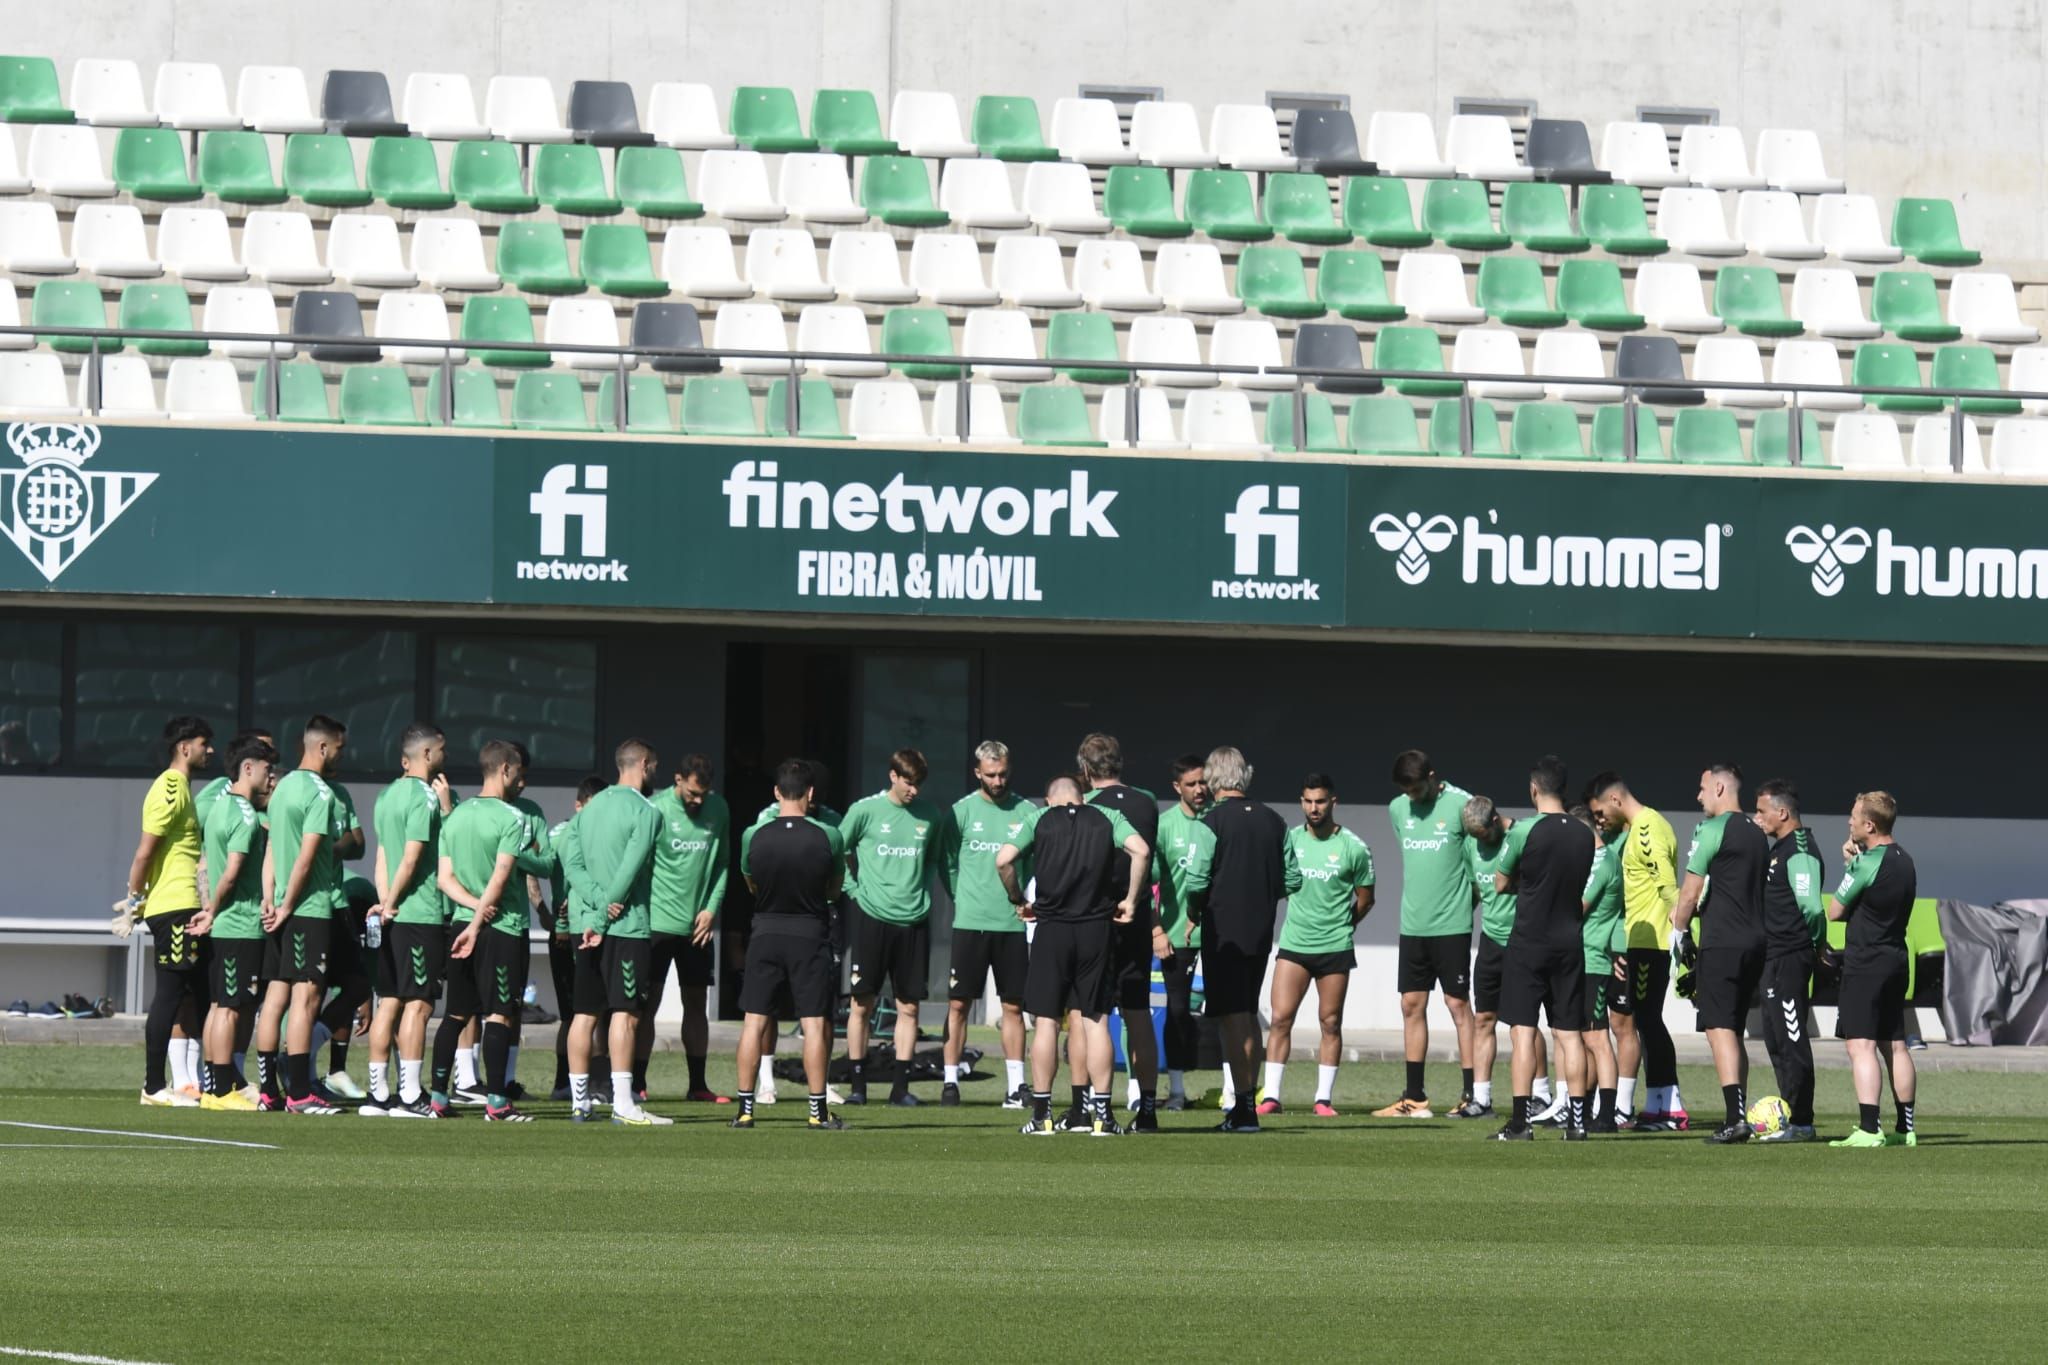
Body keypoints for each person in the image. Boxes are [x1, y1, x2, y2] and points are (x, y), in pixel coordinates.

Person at [998, 775, 1148, 1136]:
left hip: (1052, 929)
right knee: (1095, 1019)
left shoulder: (1039, 819)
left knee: (1047, 1021)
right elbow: (1141, 850)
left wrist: (1018, 899)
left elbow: (1003, 860)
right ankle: (1102, 1117)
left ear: (1050, 800)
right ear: (1082, 798)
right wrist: (1129, 899)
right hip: (1096, 929)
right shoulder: (1107, 816)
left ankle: (1042, 1116)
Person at [733, 759, 849, 1130]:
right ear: (811, 794)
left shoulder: (754, 834)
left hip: (765, 932)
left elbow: (750, 883)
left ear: (776, 793)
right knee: (813, 1025)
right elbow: (834, 890)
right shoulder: (828, 835)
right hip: (810, 933)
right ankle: (817, 1112)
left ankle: (745, 1109)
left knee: (754, 1022)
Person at [433, 739, 544, 1122]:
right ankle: (497, 1103)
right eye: (518, 773)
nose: (521, 782)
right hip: (501, 928)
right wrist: (481, 918)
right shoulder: (512, 818)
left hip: (461, 925)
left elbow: (444, 880)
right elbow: (499, 878)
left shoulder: (457, 815)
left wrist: (469, 913)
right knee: (499, 1014)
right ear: (505, 770)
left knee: (456, 1014)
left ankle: (438, 1097)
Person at [838, 749, 954, 1107]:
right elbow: (836, 850)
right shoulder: (864, 810)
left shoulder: (930, 816)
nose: (913, 790)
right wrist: (853, 890)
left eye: (918, 784)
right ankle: (858, 1087)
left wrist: (927, 894)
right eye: (908, 782)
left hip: (913, 921)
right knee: (862, 1005)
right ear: (892, 776)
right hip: (872, 918)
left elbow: (934, 859)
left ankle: (900, 1088)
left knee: (909, 1008)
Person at [1491, 756, 1594, 1141]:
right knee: (1569, 1035)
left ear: (1534, 789)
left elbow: (1501, 883)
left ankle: (1520, 1123)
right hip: (1570, 942)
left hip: (1530, 942)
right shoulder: (1585, 834)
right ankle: (1578, 1124)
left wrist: (1527, 881)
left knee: (1522, 1031)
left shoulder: (1524, 831)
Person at [1670, 763, 1772, 1144]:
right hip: (1754, 943)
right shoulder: (1756, 833)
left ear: (1718, 788)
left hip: (1723, 942)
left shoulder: (1712, 830)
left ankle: (1735, 1119)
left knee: (1719, 1028)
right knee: (1733, 1029)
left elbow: (1690, 892)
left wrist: (1677, 932)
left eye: (1701, 788)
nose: (1697, 796)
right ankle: (1738, 1113)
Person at [253, 715, 350, 1115]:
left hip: (278, 906)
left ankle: (268, 1090)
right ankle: (298, 1093)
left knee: (275, 996)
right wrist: (291, 904)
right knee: (306, 998)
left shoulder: (283, 786)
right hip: (306, 909)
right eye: (339, 748)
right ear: (323, 748)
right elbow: (309, 856)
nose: (341, 756)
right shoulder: (319, 793)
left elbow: (273, 849)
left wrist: (269, 898)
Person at [1261, 774, 1373, 1117]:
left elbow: (1366, 899)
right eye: (1308, 801)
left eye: (1320, 801)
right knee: (1280, 1019)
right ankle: (1271, 1097)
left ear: (1333, 803)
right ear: (1301, 802)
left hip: (1334, 947)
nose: (1314, 808)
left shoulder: (1354, 846)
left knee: (1330, 1022)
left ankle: (1323, 1099)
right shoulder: (1289, 840)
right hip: (1294, 944)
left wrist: (1342, 926)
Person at [1201, 746, 1300, 1134]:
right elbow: (1293, 879)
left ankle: (1242, 1106)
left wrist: (1198, 908)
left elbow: (1196, 877)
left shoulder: (1210, 822)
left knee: (1232, 1017)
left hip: (1222, 929)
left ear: (1213, 779)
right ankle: (1245, 1102)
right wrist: (1260, 896)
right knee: (1247, 1011)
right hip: (1259, 927)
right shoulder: (1275, 821)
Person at [571, 739, 668, 1126]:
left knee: (584, 1014)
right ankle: (624, 1105)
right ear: (644, 764)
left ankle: (580, 1104)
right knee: (625, 1015)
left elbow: (571, 860)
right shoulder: (647, 810)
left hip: (588, 925)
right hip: (625, 927)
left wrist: (594, 910)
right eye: (654, 767)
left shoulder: (588, 809)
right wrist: (606, 914)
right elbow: (630, 869)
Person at [1376, 749, 1475, 1119]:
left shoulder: (1462, 805)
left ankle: (1472, 1095)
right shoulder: (1397, 809)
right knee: (1411, 1005)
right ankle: (1414, 1097)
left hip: (1452, 925)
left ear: (1432, 776)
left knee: (1457, 1006)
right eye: (1408, 792)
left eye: (1417, 790)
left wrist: (1467, 902)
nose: (1413, 798)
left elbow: (1479, 859)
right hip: (1412, 925)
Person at [363, 723, 454, 1118]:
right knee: (419, 1005)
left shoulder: (386, 796)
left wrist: (384, 903)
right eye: (443, 751)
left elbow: (382, 855)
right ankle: (410, 1096)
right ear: (429, 755)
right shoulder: (425, 797)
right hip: (420, 914)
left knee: (389, 1003)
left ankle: (377, 1095)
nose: (446, 757)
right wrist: (396, 900)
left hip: (393, 914)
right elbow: (413, 857)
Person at [1587, 772, 1686, 1130]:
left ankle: (1670, 1107)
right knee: (1646, 1021)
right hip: (1640, 941)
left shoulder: (1646, 829)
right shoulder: (1638, 829)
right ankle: (1659, 1105)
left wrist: (1681, 935)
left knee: (1648, 1022)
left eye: (1600, 811)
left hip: (1652, 942)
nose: (1600, 819)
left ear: (1615, 799)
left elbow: (1667, 887)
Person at [941, 741, 1039, 1107]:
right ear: (977, 772)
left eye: (1003, 774)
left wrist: (1022, 901)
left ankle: (1016, 1086)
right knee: (958, 1005)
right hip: (970, 923)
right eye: (991, 774)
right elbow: (947, 865)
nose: (998, 781)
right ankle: (950, 1082)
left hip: (1012, 925)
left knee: (1014, 1007)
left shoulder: (1027, 811)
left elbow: (1034, 864)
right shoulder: (961, 812)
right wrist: (963, 898)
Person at [125, 715, 214, 1107]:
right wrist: (133, 897)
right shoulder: (171, 787)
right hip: (174, 906)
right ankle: (152, 1086)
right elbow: (146, 849)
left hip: (183, 904)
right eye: (203, 743)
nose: (209, 750)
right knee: (169, 994)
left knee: (193, 993)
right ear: (184, 747)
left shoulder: (184, 788)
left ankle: (188, 1081)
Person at [1076, 734, 1165, 1121]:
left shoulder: (1086, 806)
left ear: (1084, 768)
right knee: (1137, 1012)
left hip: (1097, 918)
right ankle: (1147, 1108)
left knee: (1088, 1013)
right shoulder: (1147, 803)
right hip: (1138, 915)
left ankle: (1090, 1107)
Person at [1829, 792, 1920, 1149]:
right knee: (1895, 1044)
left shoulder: (1867, 863)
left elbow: (1836, 909)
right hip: (1896, 960)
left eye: (1853, 817)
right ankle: (1906, 1127)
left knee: (1860, 1045)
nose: (1849, 822)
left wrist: (1851, 864)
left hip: (1866, 963)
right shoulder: (1906, 860)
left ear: (1869, 825)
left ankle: (1869, 1128)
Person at [194, 734, 277, 1111]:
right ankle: (224, 1089)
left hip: (225, 926)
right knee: (231, 1007)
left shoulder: (218, 809)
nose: (270, 775)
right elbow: (230, 872)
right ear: (248, 768)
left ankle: (214, 1084)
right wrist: (212, 908)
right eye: (266, 768)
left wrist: (211, 909)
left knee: (217, 1005)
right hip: (239, 924)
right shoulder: (244, 814)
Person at [647, 753, 731, 1104]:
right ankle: (637, 1083)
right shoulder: (655, 808)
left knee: (695, 1004)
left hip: (697, 928)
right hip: (655, 923)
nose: (698, 800)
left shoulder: (719, 809)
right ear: (678, 780)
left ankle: (698, 1085)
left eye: (703, 794)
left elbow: (723, 864)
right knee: (645, 1005)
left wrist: (711, 910)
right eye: (693, 793)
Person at [1753, 779, 1824, 1143]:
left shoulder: (1799, 849)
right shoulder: (1778, 849)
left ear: (1782, 812)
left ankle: (1803, 1122)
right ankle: (1790, 1118)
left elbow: (1811, 906)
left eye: (1762, 811)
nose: (1757, 817)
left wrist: (1813, 946)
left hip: (1791, 957)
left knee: (1793, 1039)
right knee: (1777, 1040)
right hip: (1772, 958)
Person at [1458, 795, 1527, 1123]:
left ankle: (1539, 1096)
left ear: (1496, 819)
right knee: (1483, 1018)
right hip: (1490, 942)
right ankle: (1481, 1098)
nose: (1480, 842)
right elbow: (1475, 891)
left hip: (1522, 942)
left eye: (1484, 834)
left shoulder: (1521, 837)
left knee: (1523, 1024)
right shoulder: (1472, 847)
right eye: (1475, 837)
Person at [1153, 755, 1214, 1110]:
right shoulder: (1163, 826)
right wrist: (1157, 929)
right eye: (1191, 783)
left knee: (1226, 1011)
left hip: (1220, 935)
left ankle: (1235, 1093)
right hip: (1178, 935)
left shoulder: (1219, 821)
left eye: (1203, 782)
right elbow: (1148, 886)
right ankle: (1176, 1091)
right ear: (1178, 787)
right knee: (1177, 1011)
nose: (1199, 789)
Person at [551, 775, 608, 1118]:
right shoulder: (566, 832)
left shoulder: (599, 834)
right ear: (579, 805)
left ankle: (594, 1088)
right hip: (574, 930)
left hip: (587, 926)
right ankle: (570, 1086)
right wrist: (547, 911)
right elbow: (542, 867)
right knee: (577, 1014)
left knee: (595, 1013)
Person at [1576, 804, 1626, 1133]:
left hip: (1594, 960)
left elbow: (1577, 907)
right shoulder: (1592, 859)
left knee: (1598, 1038)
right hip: (1582, 959)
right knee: (1586, 1038)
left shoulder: (1601, 861)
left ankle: (1608, 1114)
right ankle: (1592, 1109)